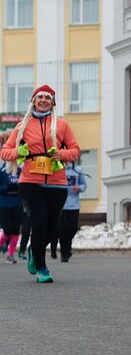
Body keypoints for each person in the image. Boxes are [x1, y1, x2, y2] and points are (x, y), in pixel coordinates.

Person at [0, 85, 80, 283]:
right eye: (39, 97)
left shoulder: (62, 125)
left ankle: (34, 251)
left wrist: (60, 154)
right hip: (30, 181)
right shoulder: (22, 126)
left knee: (52, 228)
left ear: (53, 102)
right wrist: (20, 152)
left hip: (57, 183)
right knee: (39, 220)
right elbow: (5, 151)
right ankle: (42, 269)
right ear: (33, 101)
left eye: (47, 97)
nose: (43, 100)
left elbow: (75, 151)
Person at [0, 134, 24, 264]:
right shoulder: (2, 170)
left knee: (15, 230)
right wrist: (7, 188)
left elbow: (25, 186)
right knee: (8, 230)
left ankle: (10, 255)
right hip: (4, 204)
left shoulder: (21, 170)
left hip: (17, 203)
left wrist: (19, 187)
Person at [57, 160, 86, 262]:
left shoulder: (78, 170)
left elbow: (84, 185)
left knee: (73, 228)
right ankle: (64, 253)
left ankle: (67, 247)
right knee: (63, 230)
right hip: (61, 205)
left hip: (74, 205)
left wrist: (78, 188)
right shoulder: (57, 169)